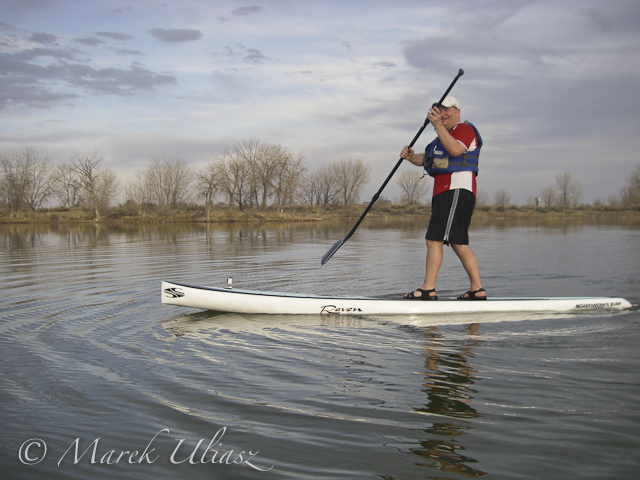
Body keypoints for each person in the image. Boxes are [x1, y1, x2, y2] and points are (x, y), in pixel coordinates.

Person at [400, 96, 486, 300]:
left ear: (457, 111)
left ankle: (428, 289)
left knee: (433, 240)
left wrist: (437, 125)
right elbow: (425, 159)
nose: (443, 114)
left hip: (455, 190)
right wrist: (411, 156)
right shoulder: (440, 138)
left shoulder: (465, 130)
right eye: (439, 111)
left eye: (447, 110)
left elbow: (456, 150)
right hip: (444, 193)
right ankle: (477, 289)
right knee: (458, 242)